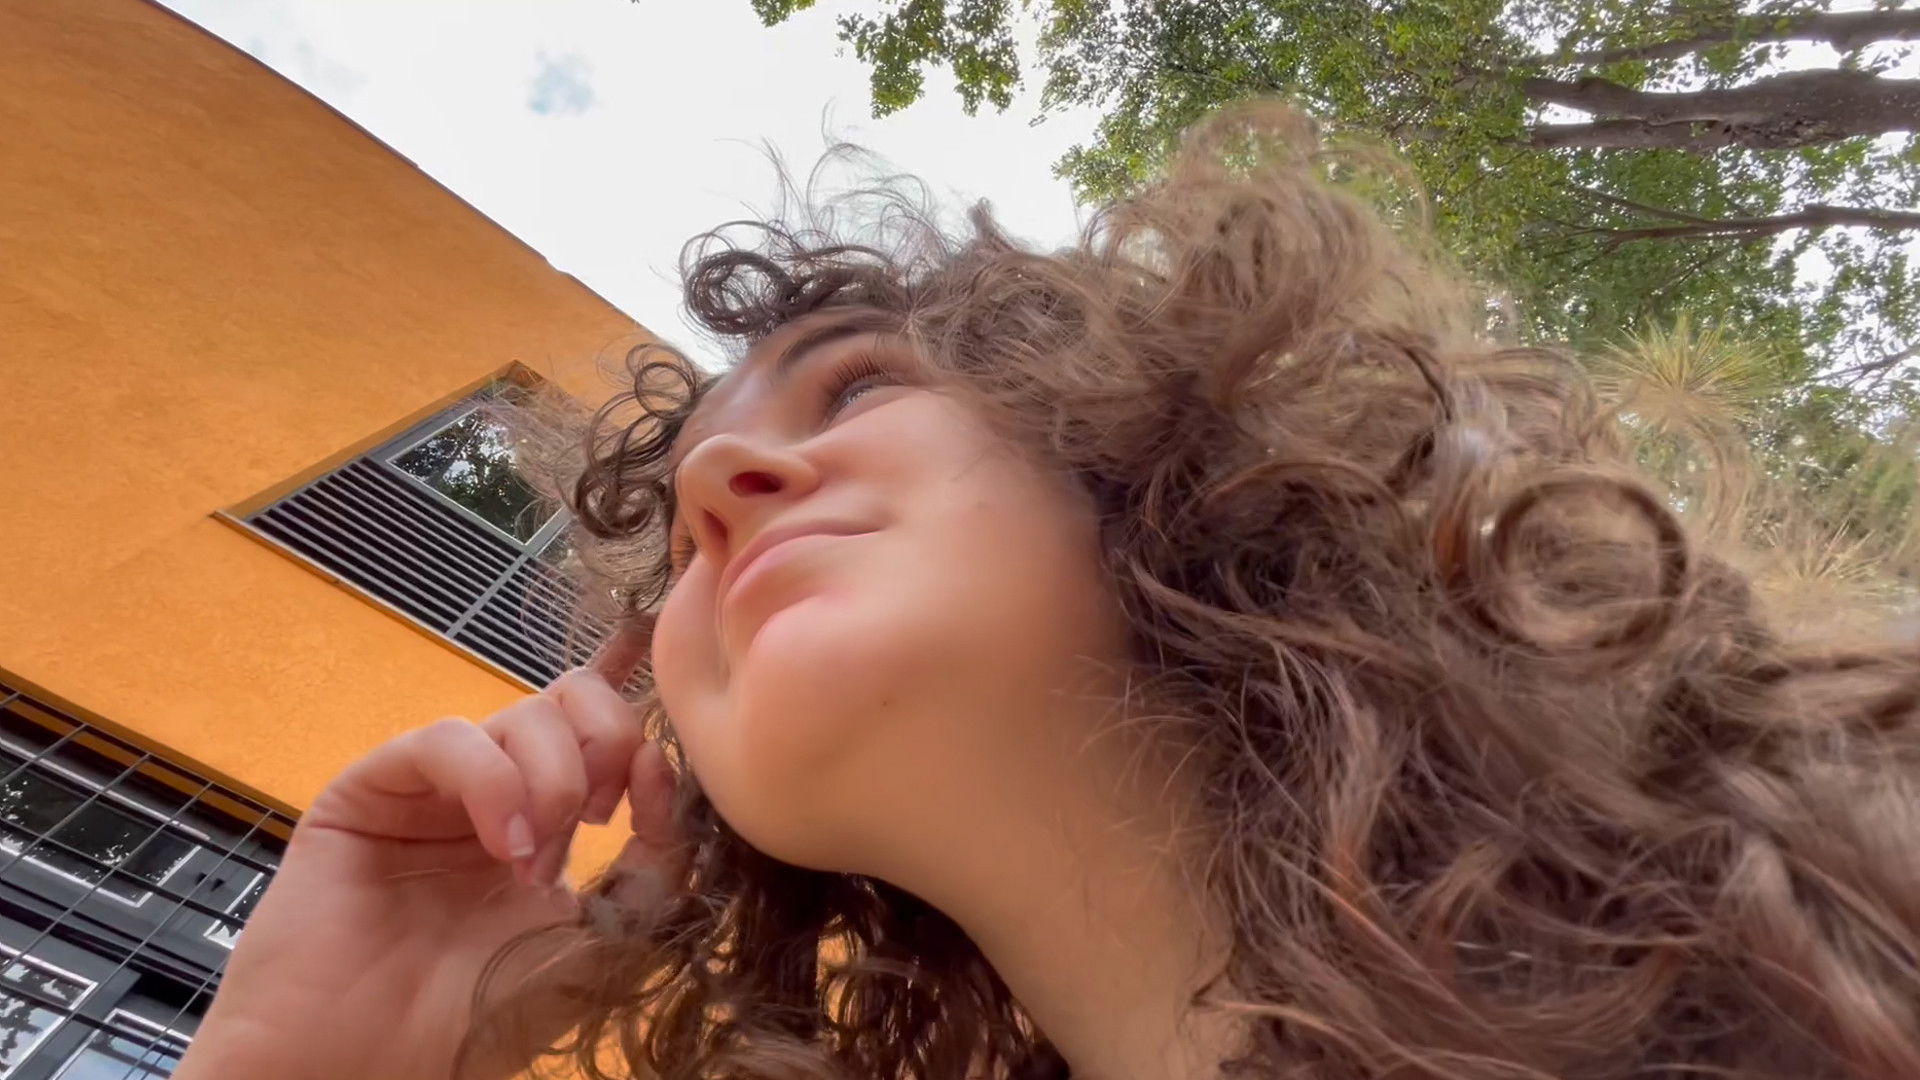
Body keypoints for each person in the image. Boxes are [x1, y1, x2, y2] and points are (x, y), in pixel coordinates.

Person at [175, 105, 1920, 1080]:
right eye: (684, 543)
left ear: (1157, 453)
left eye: (858, 387)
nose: (720, 488)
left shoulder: (1843, 921)